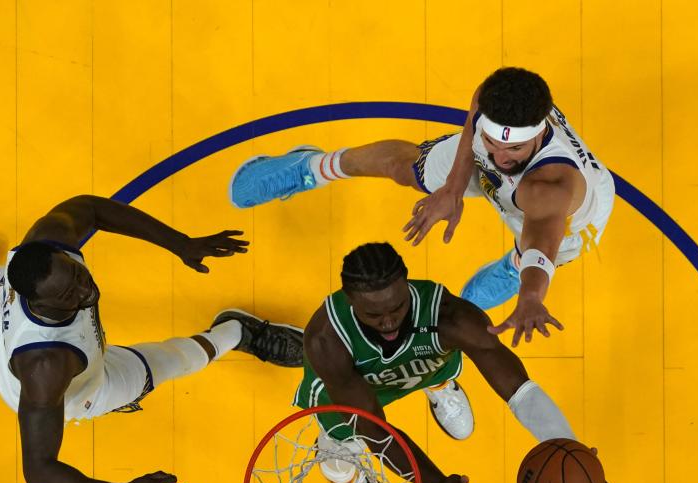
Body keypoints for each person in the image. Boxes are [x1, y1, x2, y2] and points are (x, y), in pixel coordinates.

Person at [0, 194, 304, 483]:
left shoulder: (48, 246)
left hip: (2, 326)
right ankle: (237, 331)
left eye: (76, 276)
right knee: (170, 360)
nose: (84, 291)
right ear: (37, 300)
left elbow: (92, 208)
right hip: (79, 389)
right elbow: (39, 474)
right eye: (68, 295)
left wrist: (179, 242)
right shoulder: (48, 366)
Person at [230, 66, 615, 346]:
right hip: (507, 168)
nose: (500, 155)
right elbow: (476, 120)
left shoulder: (552, 189)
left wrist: (531, 299)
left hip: (563, 218)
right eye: (494, 141)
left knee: (527, 254)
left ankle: (510, 269)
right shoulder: (495, 101)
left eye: (512, 148)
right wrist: (451, 187)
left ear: (537, 135)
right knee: (406, 168)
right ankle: (310, 166)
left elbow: (542, 245)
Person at [294, 242, 607, 483]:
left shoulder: (450, 318)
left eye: (398, 308)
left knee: (436, 357)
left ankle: (439, 385)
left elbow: (518, 389)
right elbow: (377, 432)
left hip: (422, 366)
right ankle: (343, 476)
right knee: (343, 436)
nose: (388, 322)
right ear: (350, 300)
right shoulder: (326, 339)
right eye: (374, 314)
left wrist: (572, 450)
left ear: (407, 285)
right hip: (353, 391)